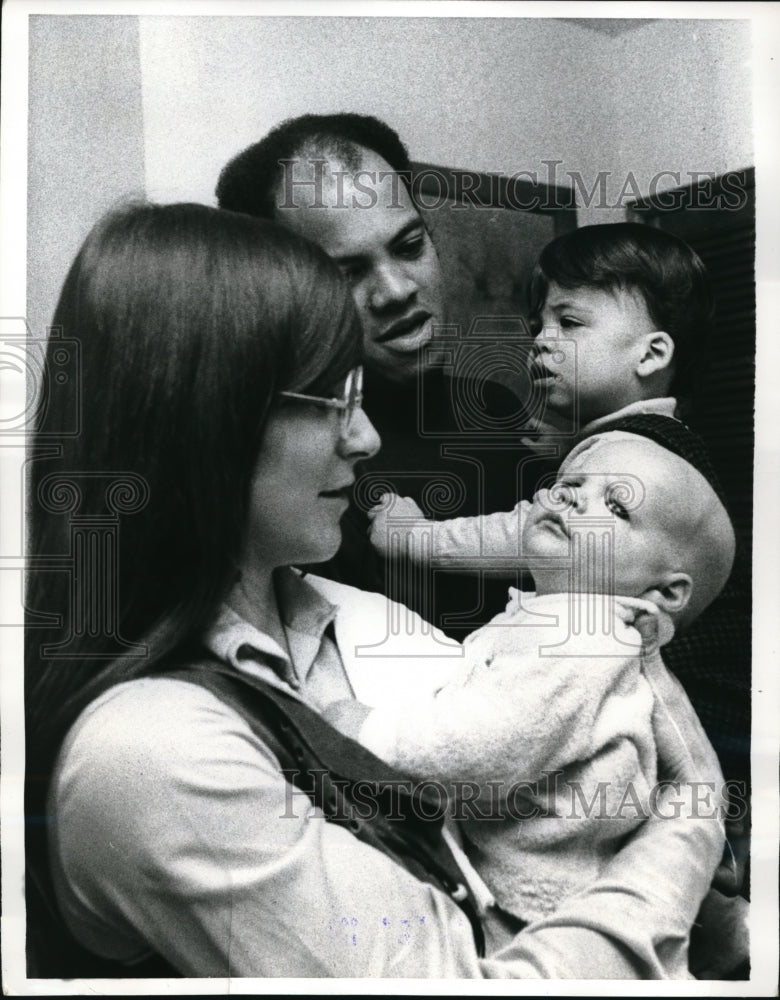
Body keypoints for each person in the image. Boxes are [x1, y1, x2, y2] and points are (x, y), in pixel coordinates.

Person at [25, 201, 726, 979]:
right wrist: (687, 830)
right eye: (331, 399)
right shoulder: (150, 751)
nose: (366, 438)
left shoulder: (357, 621)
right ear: (202, 419)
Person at [368, 223, 752, 806]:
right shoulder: (648, 443)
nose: (541, 342)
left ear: (652, 353)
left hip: (696, 722)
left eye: (569, 323)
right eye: (538, 326)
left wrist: (414, 536)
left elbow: (529, 536)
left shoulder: (626, 455)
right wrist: (566, 449)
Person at [325, 432, 736, 956]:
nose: (574, 500)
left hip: (531, 912)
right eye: (572, 484)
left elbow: (485, 743)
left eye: (616, 506)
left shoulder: (584, 638)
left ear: (665, 591)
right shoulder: (574, 625)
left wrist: (364, 730)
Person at [215, 113, 533, 639]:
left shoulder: (498, 408)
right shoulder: (296, 470)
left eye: (409, 247)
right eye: (349, 273)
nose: (396, 291)